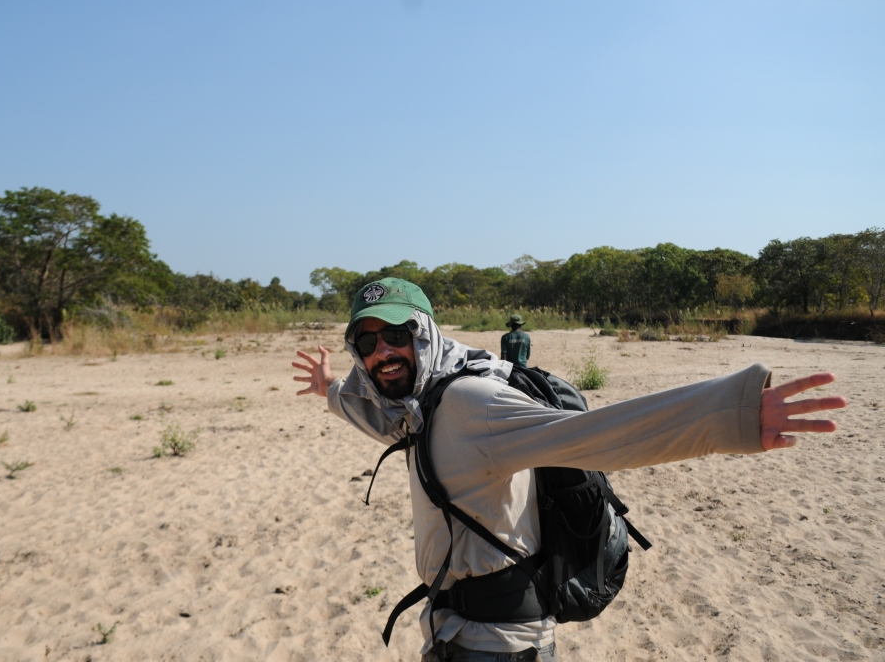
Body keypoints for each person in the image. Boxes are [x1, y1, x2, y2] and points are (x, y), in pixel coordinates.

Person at [292, 277, 846, 662]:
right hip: (455, 631)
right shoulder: (417, 406)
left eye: (395, 335)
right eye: (367, 342)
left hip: (498, 641)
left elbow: (596, 438)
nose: (382, 351)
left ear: (425, 333)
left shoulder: (469, 404)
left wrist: (734, 413)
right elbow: (380, 418)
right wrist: (329, 390)